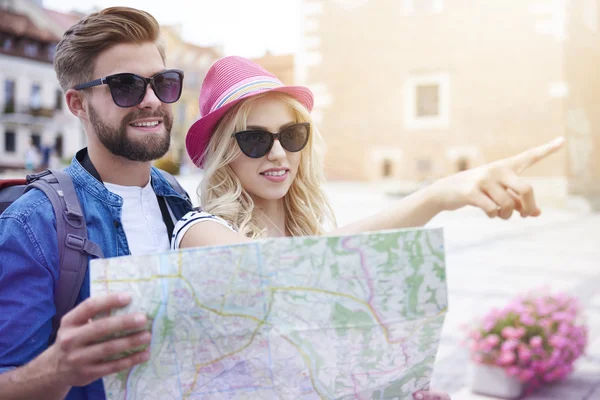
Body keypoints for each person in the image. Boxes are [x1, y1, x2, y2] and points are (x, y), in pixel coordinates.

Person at [175, 56, 565, 400]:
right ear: (224, 152)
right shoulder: (198, 232)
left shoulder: (306, 238)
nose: (279, 153)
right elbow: (292, 272)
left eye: (292, 135)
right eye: (255, 140)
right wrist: (437, 195)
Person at [0, 7, 192, 400]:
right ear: (77, 104)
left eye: (163, 82)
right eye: (126, 86)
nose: (152, 100)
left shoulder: (178, 201)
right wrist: (58, 369)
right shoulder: (33, 223)